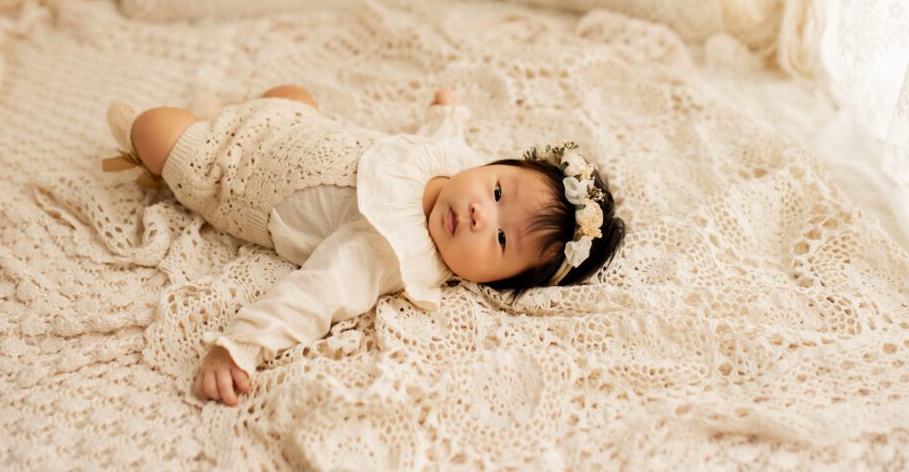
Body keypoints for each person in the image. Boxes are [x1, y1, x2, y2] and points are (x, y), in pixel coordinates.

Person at [101, 85, 625, 406]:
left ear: (491, 280)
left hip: (231, 174)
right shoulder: (454, 159)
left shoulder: (388, 248)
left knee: (156, 127)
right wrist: (449, 112)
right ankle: (251, 105)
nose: (479, 214)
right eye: (495, 191)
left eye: (502, 238)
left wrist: (240, 345)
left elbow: (316, 293)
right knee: (293, 92)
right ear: (493, 165)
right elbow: (444, 137)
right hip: (290, 124)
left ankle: (162, 143)